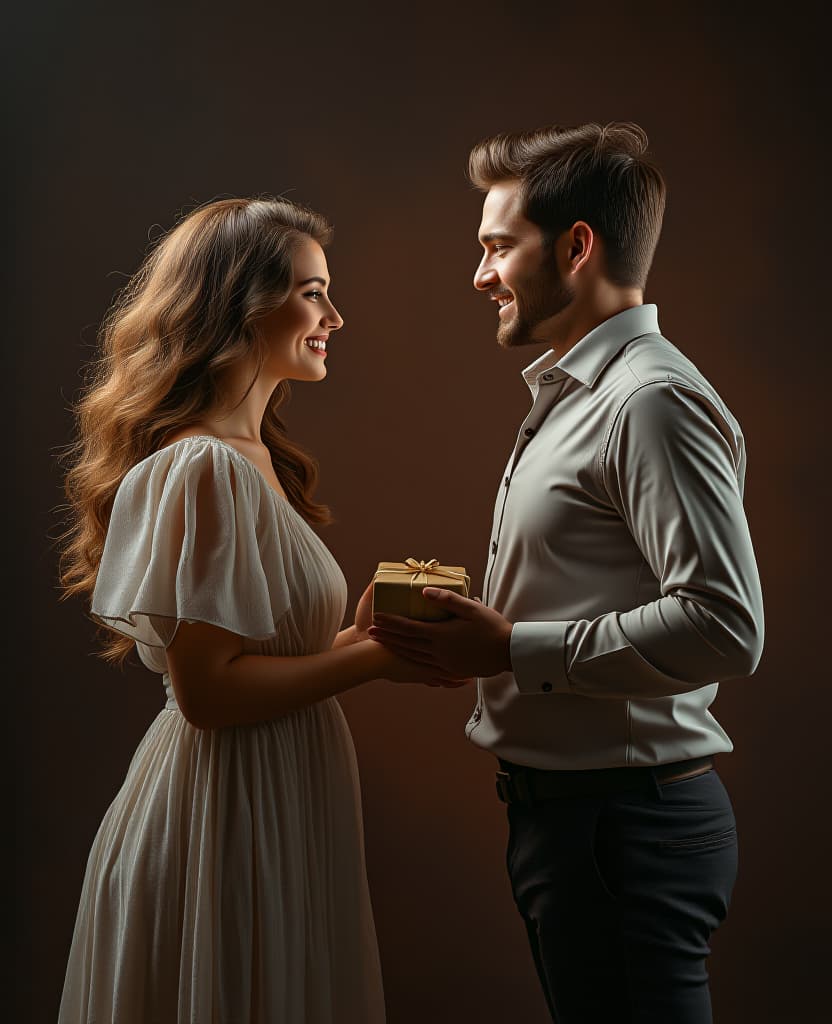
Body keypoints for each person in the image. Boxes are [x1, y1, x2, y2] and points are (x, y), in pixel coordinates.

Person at [368, 123, 765, 1023]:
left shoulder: (651, 401)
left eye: (497, 246)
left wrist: (511, 647)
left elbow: (725, 624)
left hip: (625, 833)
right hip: (578, 830)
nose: (479, 275)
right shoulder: (580, 394)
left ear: (577, 246)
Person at [56, 196, 460, 1023]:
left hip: (267, 801)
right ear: (242, 304)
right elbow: (209, 696)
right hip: (223, 814)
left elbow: (262, 659)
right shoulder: (206, 466)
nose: (335, 317)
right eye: (314, 293)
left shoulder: (254, 461)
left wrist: (362, 632)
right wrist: (377, 657)